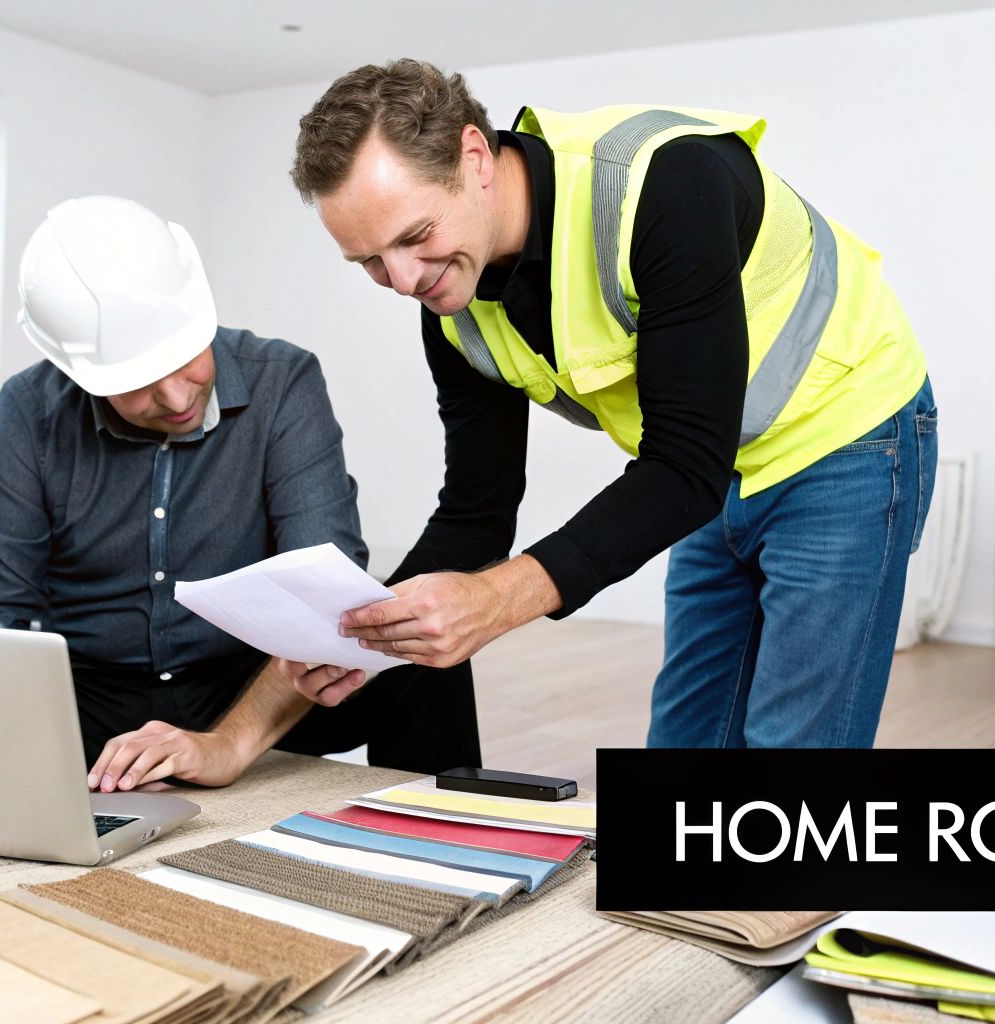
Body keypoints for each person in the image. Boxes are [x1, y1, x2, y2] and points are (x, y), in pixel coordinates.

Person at [0, 195, 479, 787]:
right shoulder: (30, 413)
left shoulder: (283, 382)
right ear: (73, 372)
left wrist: (227, 741)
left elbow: (321, 598)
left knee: (423, 647)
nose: (175, 396)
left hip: (253, 681)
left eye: (185, 359)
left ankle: (459, 840)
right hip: (86, 695)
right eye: (136, 384)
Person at [281, 60, 938, 749]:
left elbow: (684, 466)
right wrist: (366, 638)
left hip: (846, 434)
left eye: (414, 236)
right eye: (369, 261)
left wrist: (498, 599)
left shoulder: (663, 183)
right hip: (721, 465)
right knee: (685, 744)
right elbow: (475, 516)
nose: (402, 279)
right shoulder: (453, 303)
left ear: (474, 157)